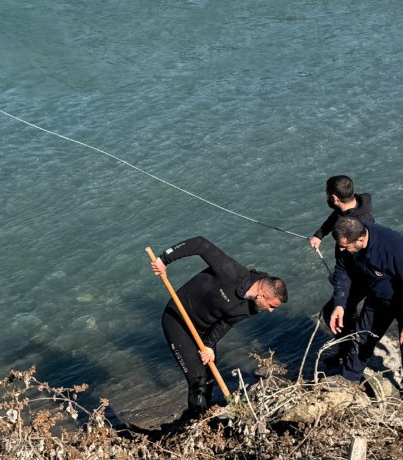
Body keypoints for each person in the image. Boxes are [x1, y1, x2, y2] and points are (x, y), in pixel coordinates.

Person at [152, 237, 288, 421]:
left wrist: (208, 345)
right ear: (261, 295)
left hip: (204, 330)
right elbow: (200, 244)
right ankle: (197, 423)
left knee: (209, 375)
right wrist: (164, 259)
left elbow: (225, 324)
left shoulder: (252, 307)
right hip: (178, 320)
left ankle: (203, 413)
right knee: (198, 379)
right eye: (271, 305)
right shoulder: (231, 272)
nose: (270, 311)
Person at [328, 216, 403, 415]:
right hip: (378, 298)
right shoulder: (346, 244)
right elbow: (342, 271)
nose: (341, 250)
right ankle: (348, 380)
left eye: (345, 247)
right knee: (361, 338)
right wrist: (339, 304)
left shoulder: (392, 247)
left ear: (360, 240)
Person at [308, 175, 376, 345]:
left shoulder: (363, 223)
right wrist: (319, 235)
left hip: (360, 276)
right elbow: (334, 217)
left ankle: (350, 346)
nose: (326, 197)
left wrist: (343, 279)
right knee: (340, 309)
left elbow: (369, 256)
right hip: (346, 270)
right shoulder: (344, 209)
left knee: (333, 310)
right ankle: (349, 342)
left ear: (334, 198)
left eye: (327, 194)